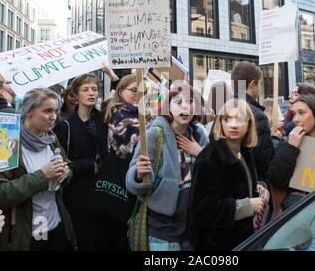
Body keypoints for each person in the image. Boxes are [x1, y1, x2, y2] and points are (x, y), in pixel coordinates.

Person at [0, 88, 76, 250]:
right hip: (24, 236)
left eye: (56, 111)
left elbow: (67, 166)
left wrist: (66, 173)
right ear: (28, 111)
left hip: (55, 225)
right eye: (47, 111)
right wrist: (42, 176)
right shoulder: (4, 139)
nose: (54, 117)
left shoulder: (51, 139)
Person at [126, 82, 209, 251]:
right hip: (162, 231)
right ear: (167, 106)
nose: (185, 106)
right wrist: (139, 174)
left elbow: (214, 176)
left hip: (192, 229)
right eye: (178, 102)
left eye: (190, 101)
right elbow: (131, 182)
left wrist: (201, 154)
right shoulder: (154, 134)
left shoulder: (200, 136)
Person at [190, 99, 269, 251]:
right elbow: (201, 211)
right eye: (227, 119)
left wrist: (257, 187)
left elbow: (236, 186)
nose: (233, 125)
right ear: (221, 122)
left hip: (242, 240)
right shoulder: (209, 159)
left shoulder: (245, 153)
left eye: (239, 119)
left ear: (249, 124)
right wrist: (247, 205)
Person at [53, 74, 107, 251]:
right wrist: (89, 166)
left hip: (102, 190)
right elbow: (60, 163)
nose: (91, 93)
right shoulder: (65, 125)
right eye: (85, 89)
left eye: (94, 89)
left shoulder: (104, 121)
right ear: (76, 95)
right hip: (77, 193)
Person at [92, 74, 140, 250]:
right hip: (123, 174)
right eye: (133, 90)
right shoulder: (120, 113)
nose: (138, 94)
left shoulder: (138, 112)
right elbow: (125, 151)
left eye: (141, 91)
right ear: (121, 91)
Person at [268, 95, 315, 212]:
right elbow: (276, 179)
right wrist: (291, 147)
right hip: (295, 212)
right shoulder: (287, 143)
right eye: (294, 114)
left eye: (301, 113)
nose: (295, 119)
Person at [231, 61, 275, 183]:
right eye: (259, 84)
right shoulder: (257, 115)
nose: (259, 88)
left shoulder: (224, 110)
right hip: (251, 184)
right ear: (252, 84)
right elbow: (264, 161)